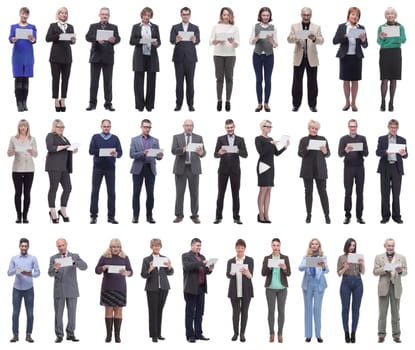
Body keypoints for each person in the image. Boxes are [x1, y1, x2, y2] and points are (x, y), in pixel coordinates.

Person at [48, 238, 87, 343]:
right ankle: (59, 335)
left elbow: (85, 267)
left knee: (72, 313)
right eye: (59, 246)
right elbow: (50, 273)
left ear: (66, 244)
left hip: (72, 289)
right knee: (58, 314)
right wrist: (54, 268)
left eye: (62, 245)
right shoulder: (53, 258)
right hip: (59, 290)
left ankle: (70, 334)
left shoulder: (75, 256)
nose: (61, 248)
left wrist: (75, 262)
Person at [95, 238, 133, 343]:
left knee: (118, 311)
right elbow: (96, 270)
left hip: (120, 288)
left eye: (117, 247)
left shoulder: (125, 258)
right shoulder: (104, 257)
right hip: (107, 288)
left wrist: (126, 273)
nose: (115, 249)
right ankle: (108, 335)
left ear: (120, 247)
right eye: (113, 247)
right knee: (108, 311)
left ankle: (117, 336)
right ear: (110, 247)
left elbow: (131, 272)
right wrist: (103, 267)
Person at [287, 7, 323, 112]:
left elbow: (321, 40)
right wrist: (298, 36)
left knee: (312, 82)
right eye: (304, 15)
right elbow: (289, 39)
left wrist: (314, 38)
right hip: (299, 57)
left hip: (312, 58)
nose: (306, 17)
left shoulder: (316, 27)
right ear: (301, 15)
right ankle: (296, 104)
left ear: (311, 15)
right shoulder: (294, 26)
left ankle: (312, 105)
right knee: (297, 82)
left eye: (308, 15)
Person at [333, 6, 368, 112]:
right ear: (348, 15)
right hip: (345, 57)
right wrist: (345, 36)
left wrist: (363, 40)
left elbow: (366, 45)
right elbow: (334, 41)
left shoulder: (361, 28)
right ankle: (347, 102)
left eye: (357, 15)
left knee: (355, 81)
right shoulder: (342, 26)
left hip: (356, 58)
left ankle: (353, 103)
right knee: (346, 81)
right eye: (353, 14)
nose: (355, 17)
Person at [85, 7, 121, 111]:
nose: (104, 16)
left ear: (109, 16)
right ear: (99, 15)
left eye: (106, 14)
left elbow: (118, 38)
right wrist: (96, 39)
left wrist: (114, 40)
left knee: (108, 82)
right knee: (94, 82)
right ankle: (92, 103)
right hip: (96, 57)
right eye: (103, 14)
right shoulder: (93, 26)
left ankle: (108, 103)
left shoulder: (114, 27)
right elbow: (87, 37)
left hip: (108, 57)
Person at [213, 119, 247, 224]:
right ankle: (218, 217)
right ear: (225, 128)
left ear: (234, 127)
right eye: (228, 127)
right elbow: (215, 154)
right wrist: (219, 153)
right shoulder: (220, 139)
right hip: (223, 170)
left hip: (235, 171)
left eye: (231, 127)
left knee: (235, 194)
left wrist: (238, 150)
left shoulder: (240, 139)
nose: (229, 129)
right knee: (220, 194)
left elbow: (245, 154)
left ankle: (236, 217)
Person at [89, 119, 122, 224]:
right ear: (101, 126)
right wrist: (102, 152)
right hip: (97, 168)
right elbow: (91, 151)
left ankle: (111, 217)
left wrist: (116, 154)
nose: (106, 128)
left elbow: (120, 152)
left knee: (111, 193)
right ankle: (93, 216)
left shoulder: (115, 138)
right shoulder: (95, 137)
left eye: (108, 126)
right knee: (95, 192)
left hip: (110, 168)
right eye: (104, 126)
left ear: (110, 127)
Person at [373, 238, 407, 343]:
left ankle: (396, 335)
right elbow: (375, 272)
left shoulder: (401, 257)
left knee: (396, 313)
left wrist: (401, 271)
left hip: (396, 287)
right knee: (382, 313)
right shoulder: (379, 257)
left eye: (392, 246)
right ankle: (381, 335)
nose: (391, 247)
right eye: (389, 245)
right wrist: (384, 269)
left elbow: (406, 271)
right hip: (383, 288)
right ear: (385, 246)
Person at [172, 119, 206, 224]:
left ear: (193, 126)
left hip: (194, 168)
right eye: (187, 125)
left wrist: (201, 153)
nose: (189, 127)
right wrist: (183, 149)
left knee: (194, 193)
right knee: (179, 193)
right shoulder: (177, 137)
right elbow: (173, 150)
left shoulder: (198, 137)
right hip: (181, 168)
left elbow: (204, 153)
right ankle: (179, 215)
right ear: (183, 126)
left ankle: (195, 215)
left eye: (191, 125)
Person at [130, 119, 163, 224]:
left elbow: (158, 157)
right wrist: (143, 153)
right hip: (138, 169)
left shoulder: (155, 140)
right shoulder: (134, 140)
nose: (147, 129)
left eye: (149, 127)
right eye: (145, 127)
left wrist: (159, 156)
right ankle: (135, 216)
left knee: (150, 194)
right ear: (141, 127)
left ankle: (149, 216)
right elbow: (132, 155)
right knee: (136, 193)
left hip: (150, 169)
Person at [7, 238, 40, 343]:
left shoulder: (33, 258)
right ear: (19, 246)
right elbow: (8, 273)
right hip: (16, 289)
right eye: (22, 246)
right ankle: (15, 335)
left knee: (30, 313)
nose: (24, 248)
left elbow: (38, 273)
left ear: (28, 247)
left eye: (26, 246)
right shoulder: (14, 258)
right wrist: (16, 270)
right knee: (15, 313)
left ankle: (28, 335)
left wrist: (30, 273)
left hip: (29, 289)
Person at [141, 238, 174, 342]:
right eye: (154, 245)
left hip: (164, 287)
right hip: (152, 288)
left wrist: (169, 267)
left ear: (160, 247)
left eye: (158, 245)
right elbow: (143, 275)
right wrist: (149, 270)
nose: (156, 247)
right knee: (153, 311)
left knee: (160, 311)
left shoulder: (164, 258)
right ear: (151, 247)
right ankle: (153, 335)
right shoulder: (146, 259)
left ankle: (159, 334)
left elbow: (170, 273)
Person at [45, 119, 78, 223]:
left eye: (63, 127)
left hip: (64, 167)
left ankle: (63, 210)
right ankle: (52, 211)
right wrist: (65, 146)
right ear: (54, 127)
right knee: (54, 188)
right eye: (59, 127)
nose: (61, 129)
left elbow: (66, 151)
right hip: (54, 166)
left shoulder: (64, 138)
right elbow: (50, 148)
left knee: (68, 188)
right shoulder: (50, 135)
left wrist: (72, 150)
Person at [255, 120, 288, 223]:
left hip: (271, 166)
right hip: (263, 166)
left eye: (270, 127)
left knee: (269, 189)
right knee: (263, 189)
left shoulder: (271, 139)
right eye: (268, 126)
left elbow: (276, 153)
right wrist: (270, 144)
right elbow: (261, 153)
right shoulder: (258, 139)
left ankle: (266, 214)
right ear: (262, 127)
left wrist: (285, 147)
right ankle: (260, 215)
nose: (269, 128)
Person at [182, 238, 214, 342]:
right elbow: (187, 267)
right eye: (197, 245)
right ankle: (190, 335)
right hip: (190, 288)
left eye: (200, 246)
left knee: (200, 312)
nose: (199, 247)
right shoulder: (185, 256)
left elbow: (204, 271)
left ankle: (198, 333)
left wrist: (209, 269)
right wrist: (201, 263)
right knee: (190, 312)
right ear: (191, 246)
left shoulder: (202, 257)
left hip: (201, 288)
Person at [298, 120, 330, 224]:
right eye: (312, 128)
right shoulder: (304, 140)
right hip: (307, 170)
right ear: (309, 128)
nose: (314, 130)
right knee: (308, 193)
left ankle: (327, 215)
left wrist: (325, 151)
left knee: (323, 193)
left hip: (320, 170)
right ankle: (308, 215)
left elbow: (328, 154)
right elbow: (300, 153)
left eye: (316, 129)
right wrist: (307, 148)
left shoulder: (322, 139)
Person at [376, 119, 407, 224]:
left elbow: (406, 155)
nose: (393, 129)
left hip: (396, 168)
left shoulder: (402, 140)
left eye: (395, 128)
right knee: (385, 193)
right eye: (392, 127)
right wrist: (385, 152)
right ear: (388, 127)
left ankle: (396, 216)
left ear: (397, 128)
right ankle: (385, 216)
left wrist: (404, 154)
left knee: (396, 193)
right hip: (385, 167)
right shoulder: (382, 139)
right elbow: (377, 152)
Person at [129, 7, 161, 112]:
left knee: (151, 82)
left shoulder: (155, 27)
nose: (147, 17)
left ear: (151, 16)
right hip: (139, 57)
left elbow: (159, 41)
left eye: (149, 15)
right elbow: (131, 41)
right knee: (138, 82)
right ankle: (140, 105)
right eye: (145, 15)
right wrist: (141, 40)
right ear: (142, 15)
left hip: (151, 57)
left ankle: (149, 105)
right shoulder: (136, 27)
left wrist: (156, 43)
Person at [45, 7, 76, 112]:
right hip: (55, 57)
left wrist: (73, 40)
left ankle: (63, 99)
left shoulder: (70, 26)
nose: (64, 15)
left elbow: (72, 42)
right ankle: (56, 100)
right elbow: (47, 38)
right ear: (58, 15)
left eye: (65, 13)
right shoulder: (53, 26)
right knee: (56, 79)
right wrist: (58, 35)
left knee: (65, 80)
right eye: (61, 13)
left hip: (67, 57)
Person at [338, 119, 368, 224]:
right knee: (348, 193)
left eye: (354, 126)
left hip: (360, 168)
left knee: (360, 193)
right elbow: (340, 154)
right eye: (351, 126)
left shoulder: (362, 138)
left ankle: (359, 216)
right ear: (348, 127)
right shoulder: (343, 139)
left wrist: (360, 149)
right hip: (348, 168)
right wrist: (346, 150)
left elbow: (366, 153)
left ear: (357, 127)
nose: (352, 128)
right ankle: (347, 215)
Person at [170, 7, 200, 112]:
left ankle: (190, 104)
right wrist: (176, 40)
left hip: (191, 58)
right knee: (179, 82)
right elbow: (171, 40)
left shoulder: (195, 27)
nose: (185, 16)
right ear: (181, 15)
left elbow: (198, 40)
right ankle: (178, 104)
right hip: (178, 58)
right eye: (183, 14)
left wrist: (195, 40)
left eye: (187, 14)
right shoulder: (175, 27)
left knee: (190, 82)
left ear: (190, 15)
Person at [7, 119, 37, 223]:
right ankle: (18, 216)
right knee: (18, 193)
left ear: (27, 127)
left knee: (27, 193)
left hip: (29, 169)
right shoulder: (13, 139)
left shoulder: (32, 139)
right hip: (17, 169)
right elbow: (8, 153)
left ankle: (25, 216)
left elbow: (36, 155)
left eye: (24, 126)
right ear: (18, 127)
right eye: (21, 126)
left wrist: (32, 151)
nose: (23, 128)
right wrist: (15, 151)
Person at [209, 7, 239, 112]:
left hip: (230, 55)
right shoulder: (216, 27)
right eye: (224, 14)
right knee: (219, 78)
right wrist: (217, 41)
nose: (226, 16)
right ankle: (219, 100)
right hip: (218, 55)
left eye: (228, 15)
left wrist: (232, 42)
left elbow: (237, 44)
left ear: (231, 16)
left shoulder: (234, 28)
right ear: (221, 15)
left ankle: (228, 101)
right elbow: (211, 41)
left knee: (229, 78)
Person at [299, 238, 329, 343]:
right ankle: (308, 335)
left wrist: (323, 266)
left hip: (319, 284)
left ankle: (318, 334)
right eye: (312, 244)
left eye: (316, 244)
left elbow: (327, 270)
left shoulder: (323, 257)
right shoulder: (306, 257)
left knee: (317, 308)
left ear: (319, 246)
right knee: (308, 309)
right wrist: (309, 262)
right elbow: (300, 268)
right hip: (308, 284)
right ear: (310, 246)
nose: (314, 246)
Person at [377, 7, 406, 112]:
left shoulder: (400, 27)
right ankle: (383, 101)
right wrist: (382, 37)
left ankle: (391, 102)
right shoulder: (381, 27)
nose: (390, 15)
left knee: (393, 79)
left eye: (392, 13)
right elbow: (379, 42)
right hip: (385, 53)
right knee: (384, 79)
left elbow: (403, 40)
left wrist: (396, 34)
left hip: (396, 53)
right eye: (388, 14)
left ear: (395, 15)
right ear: (385, 16)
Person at [9, 7, 36, 112]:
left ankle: (25, 102)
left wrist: (32, 39)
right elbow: (10, 38)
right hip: (18, 55)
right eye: (23, 14)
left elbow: (34, 40)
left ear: (28, 16)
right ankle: (19, 103)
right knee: (18, 79)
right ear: (20, 14)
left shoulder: (32, 27)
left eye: (26, 14)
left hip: (28, 55)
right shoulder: (14, 27)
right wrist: (13, 39)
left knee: (26, 79)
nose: (24, 16)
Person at [337, 238, 365, 343]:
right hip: (346, 282)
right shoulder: (341, 257)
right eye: (350, 245)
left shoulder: (358, 257)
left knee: (356, 309)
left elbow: (363, 272)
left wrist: (362, 263)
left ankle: (353, 333)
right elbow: (339, 273)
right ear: (347, 246)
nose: (352, 247)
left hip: (358, 282)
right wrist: (345, 267)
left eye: (354, 245)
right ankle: (346, 333)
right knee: (345, 308)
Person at [250, 7, 277, 112]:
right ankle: (259, 103)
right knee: (259, 80)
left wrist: (271, 41)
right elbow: (251, 42)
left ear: (270, 16)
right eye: (264, 15)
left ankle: (266, 103)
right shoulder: (255, 26)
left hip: (269, 56)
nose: (265, 17)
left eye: (267, 15)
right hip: (257, 55)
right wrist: (257, 38)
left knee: (268, 80)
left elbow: (276, 45)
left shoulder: (273, 27)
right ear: (260, 16)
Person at [226, 239, 254, 343]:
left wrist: (247, 273)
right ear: (235, 248)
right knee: (235, 313)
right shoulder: (231, 261)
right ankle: (235, 333)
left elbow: (251, 276)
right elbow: (227, 275)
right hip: (234, 290)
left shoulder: (250, 260)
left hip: (246, 290)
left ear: (244, 249)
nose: (240, 250)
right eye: (238, 247)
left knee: (245, 312)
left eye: (242, 248)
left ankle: (242, 334)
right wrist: (232, 272)